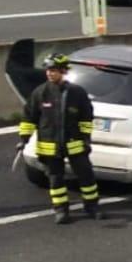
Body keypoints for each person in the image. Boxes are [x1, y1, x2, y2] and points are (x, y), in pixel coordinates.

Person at [19, 54, 102, 224]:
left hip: (75, 144)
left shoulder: (77, 93)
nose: (49, 73)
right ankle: (61, 210)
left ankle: (91, 207)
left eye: (54, 70)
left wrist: (86, 139)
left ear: (63, 71)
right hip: (49, 146)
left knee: (86, 176)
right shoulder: (40, 93)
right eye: (48, 70)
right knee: (55, 180)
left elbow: (86, 118)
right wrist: (24, 138)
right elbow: (29, 118)